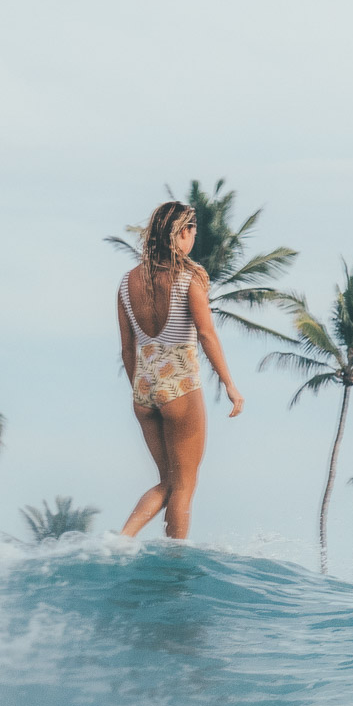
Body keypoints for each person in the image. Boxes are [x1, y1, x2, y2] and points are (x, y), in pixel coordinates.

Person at [116, 201, 244, 539]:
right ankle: (175, 563)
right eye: (192, 232)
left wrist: (142, 393)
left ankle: (122, 539)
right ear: (182, 233)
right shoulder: (189, 278)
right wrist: (230, 385)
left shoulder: (127, 283)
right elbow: (205, 334)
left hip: (143, 387)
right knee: (184, 486)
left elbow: (128, 348)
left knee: (168, 482)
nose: (193, 238)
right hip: (180, 387)